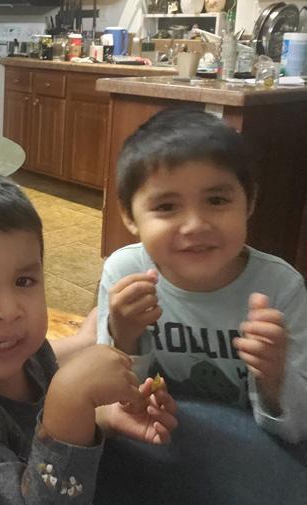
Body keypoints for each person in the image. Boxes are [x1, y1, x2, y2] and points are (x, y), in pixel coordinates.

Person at [0, 171, 178, 505]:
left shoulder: (20, 347)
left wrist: (103, 417)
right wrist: (69, 398)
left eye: (24, 281)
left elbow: (36, 437)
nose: (10, 311)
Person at [93, 109, 307, 504]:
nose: (195, 224)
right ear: (129, 215)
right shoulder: (126, 272)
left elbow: (296, 429)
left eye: (217, 200)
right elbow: (113, 407)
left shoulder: (280, 286)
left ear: (249, 201)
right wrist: (125, 338)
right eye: (166, 207)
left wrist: (275, 376)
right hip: (153, 445)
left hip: (250, 454)